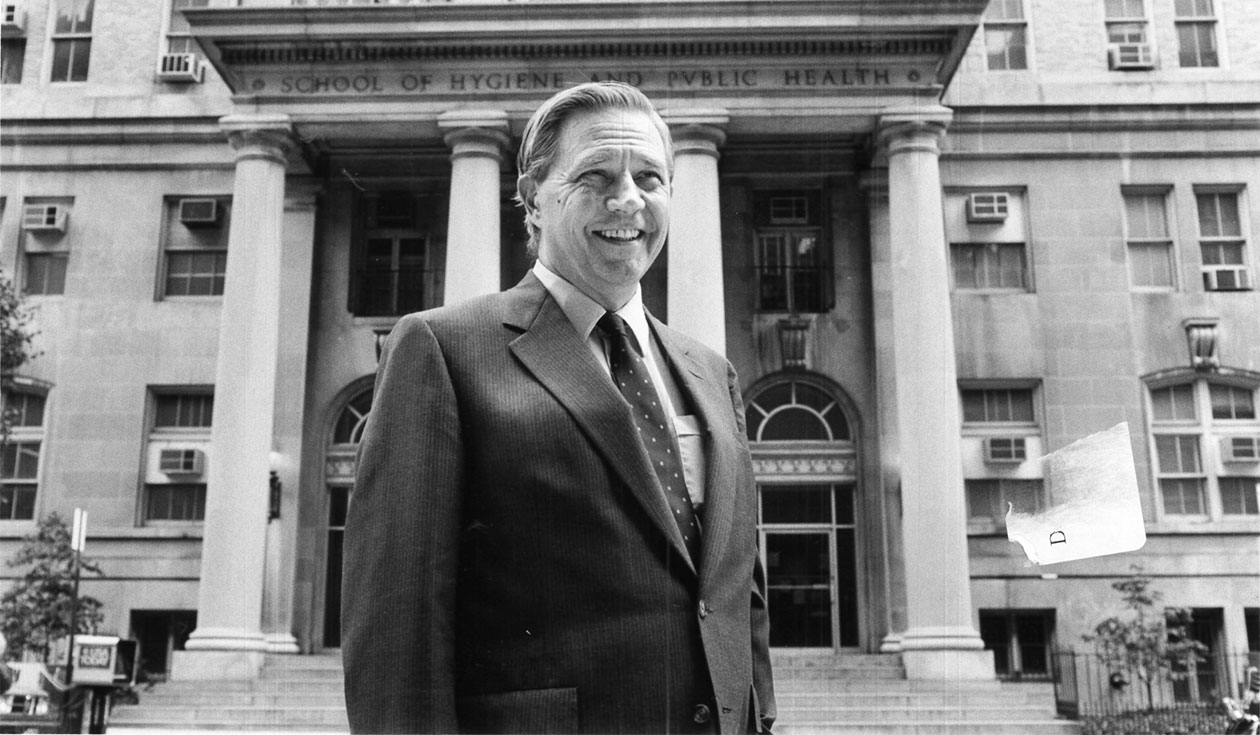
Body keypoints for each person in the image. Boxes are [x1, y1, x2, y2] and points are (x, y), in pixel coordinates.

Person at [342, 81, 775, 734]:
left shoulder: (711, 372)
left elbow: (739, 598)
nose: (627, 198)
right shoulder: (443, 350)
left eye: (650, 178)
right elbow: (397, 634)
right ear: (532, 202)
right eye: (595, 176)